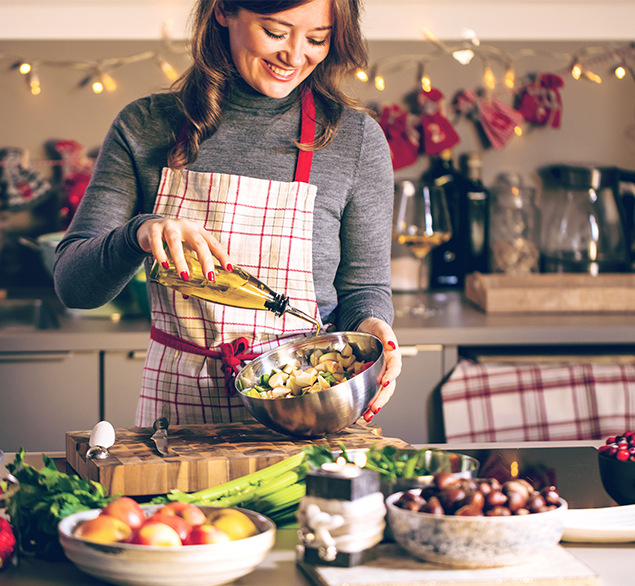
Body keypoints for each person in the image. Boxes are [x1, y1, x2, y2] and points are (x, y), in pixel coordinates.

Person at [54, 0, 401, 428]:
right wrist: (138, 233)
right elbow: (73, 287)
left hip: (310, 409)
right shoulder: (145, 126)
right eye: (275, 32)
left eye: (317, 39)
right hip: (179, 421)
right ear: (223, 11)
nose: (294, 56)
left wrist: (374, 326)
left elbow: (363, 287)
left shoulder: (355, 140)